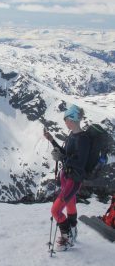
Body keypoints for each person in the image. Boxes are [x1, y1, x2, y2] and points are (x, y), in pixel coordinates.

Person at [44, 104, 90, 251]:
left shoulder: (83, 139)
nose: (65, 122)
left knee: (55, 211)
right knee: (70, 204)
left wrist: (61, 156)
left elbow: (80, 163)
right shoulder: (73, 135)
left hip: (73, 179)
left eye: (66, 119)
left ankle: (67, 237)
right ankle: (73, 230)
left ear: (73, 119)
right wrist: (52, 140)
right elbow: (66, 153)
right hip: (67, 176)